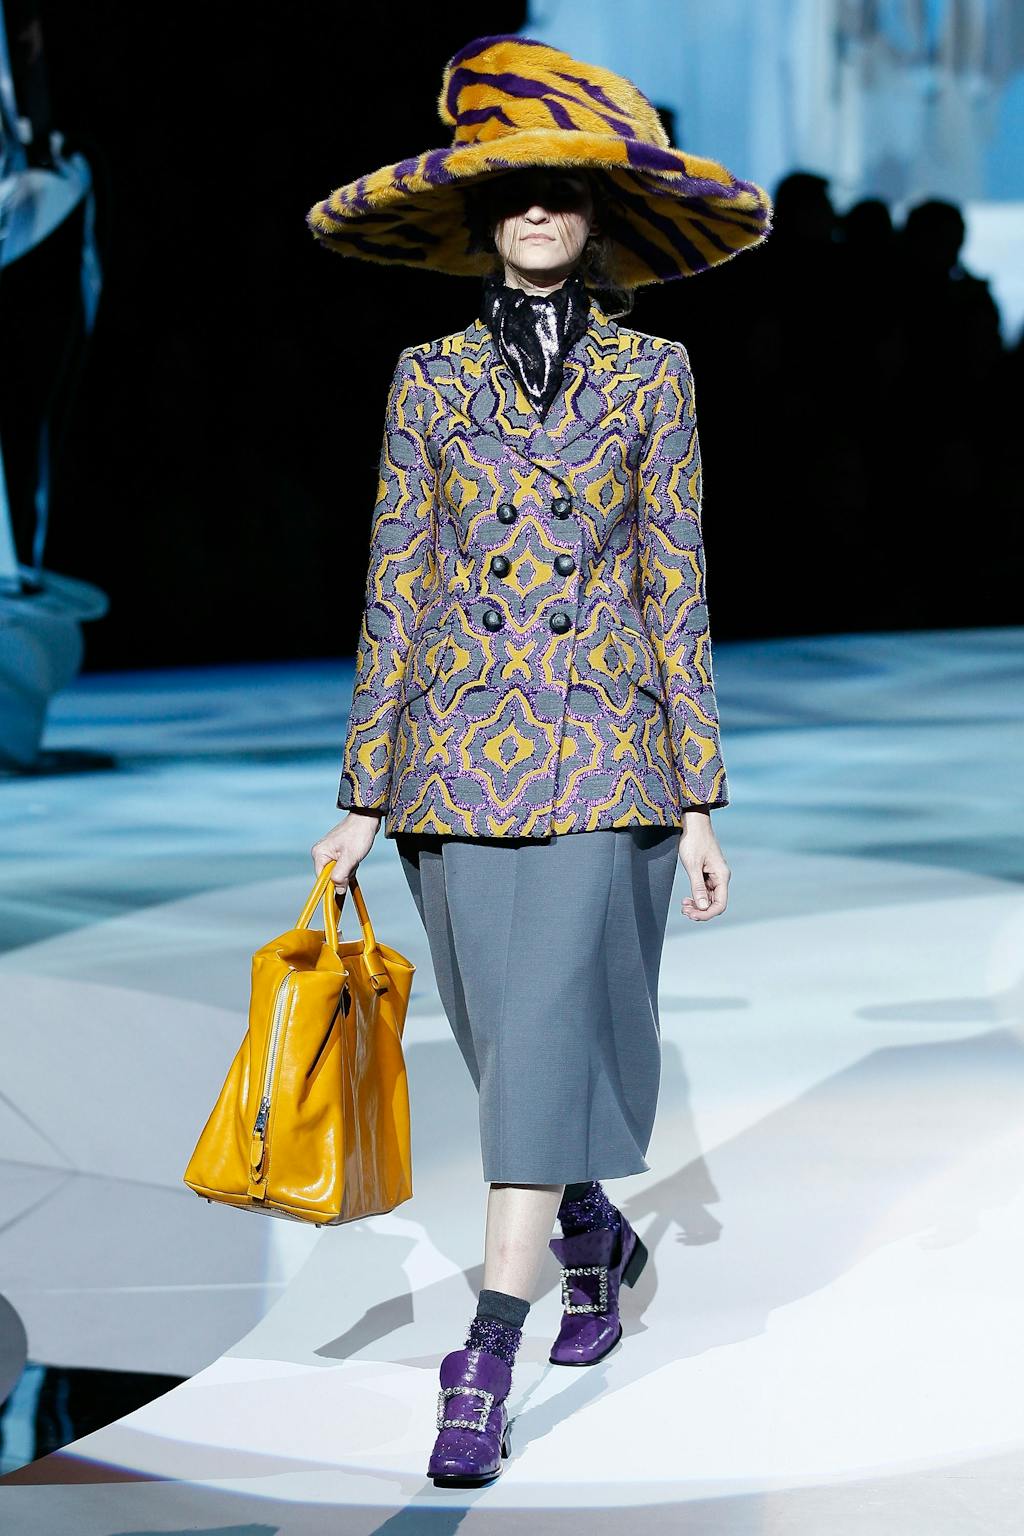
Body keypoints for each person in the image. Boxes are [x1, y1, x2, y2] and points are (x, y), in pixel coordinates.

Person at [306, 34, 772, 1488]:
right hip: (451, 757)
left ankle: (483, 1360)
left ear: (596, 215)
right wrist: (361, 794)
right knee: (510, 1048)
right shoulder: (427, 379)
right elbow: (398, 581)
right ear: (481, 220)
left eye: (561, 191)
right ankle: (590, 1230)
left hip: (605, 752)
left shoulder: (654, 374)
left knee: (547, 1035)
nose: (536, 212)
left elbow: (676, 581)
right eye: (514, 193)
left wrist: (700, 796)